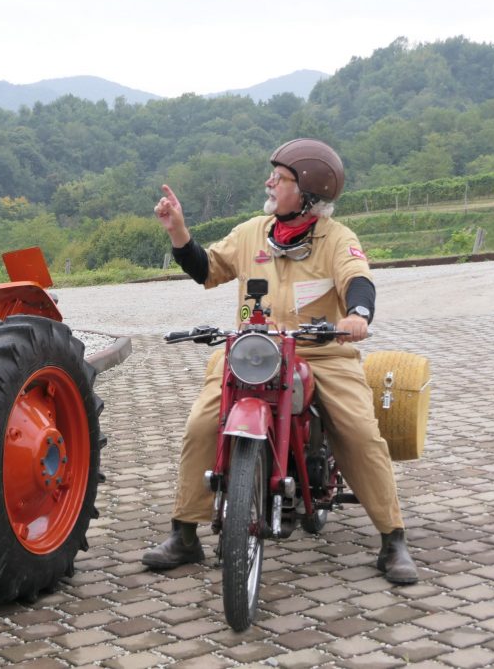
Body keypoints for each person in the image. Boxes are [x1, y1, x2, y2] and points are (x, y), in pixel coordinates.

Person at [145, 138, 418, 585]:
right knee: (200, 424)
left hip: (320, 351)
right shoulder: (253, 230)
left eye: (281, 176)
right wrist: (178, 230)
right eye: (273, 173)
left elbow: (358, 279)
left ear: (307, 192)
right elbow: (207, 268)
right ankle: (185, 532)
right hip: (251, 350)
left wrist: (357, 316)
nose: (270, 181)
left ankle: (393, 539)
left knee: (359, 432)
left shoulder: (337, 238)